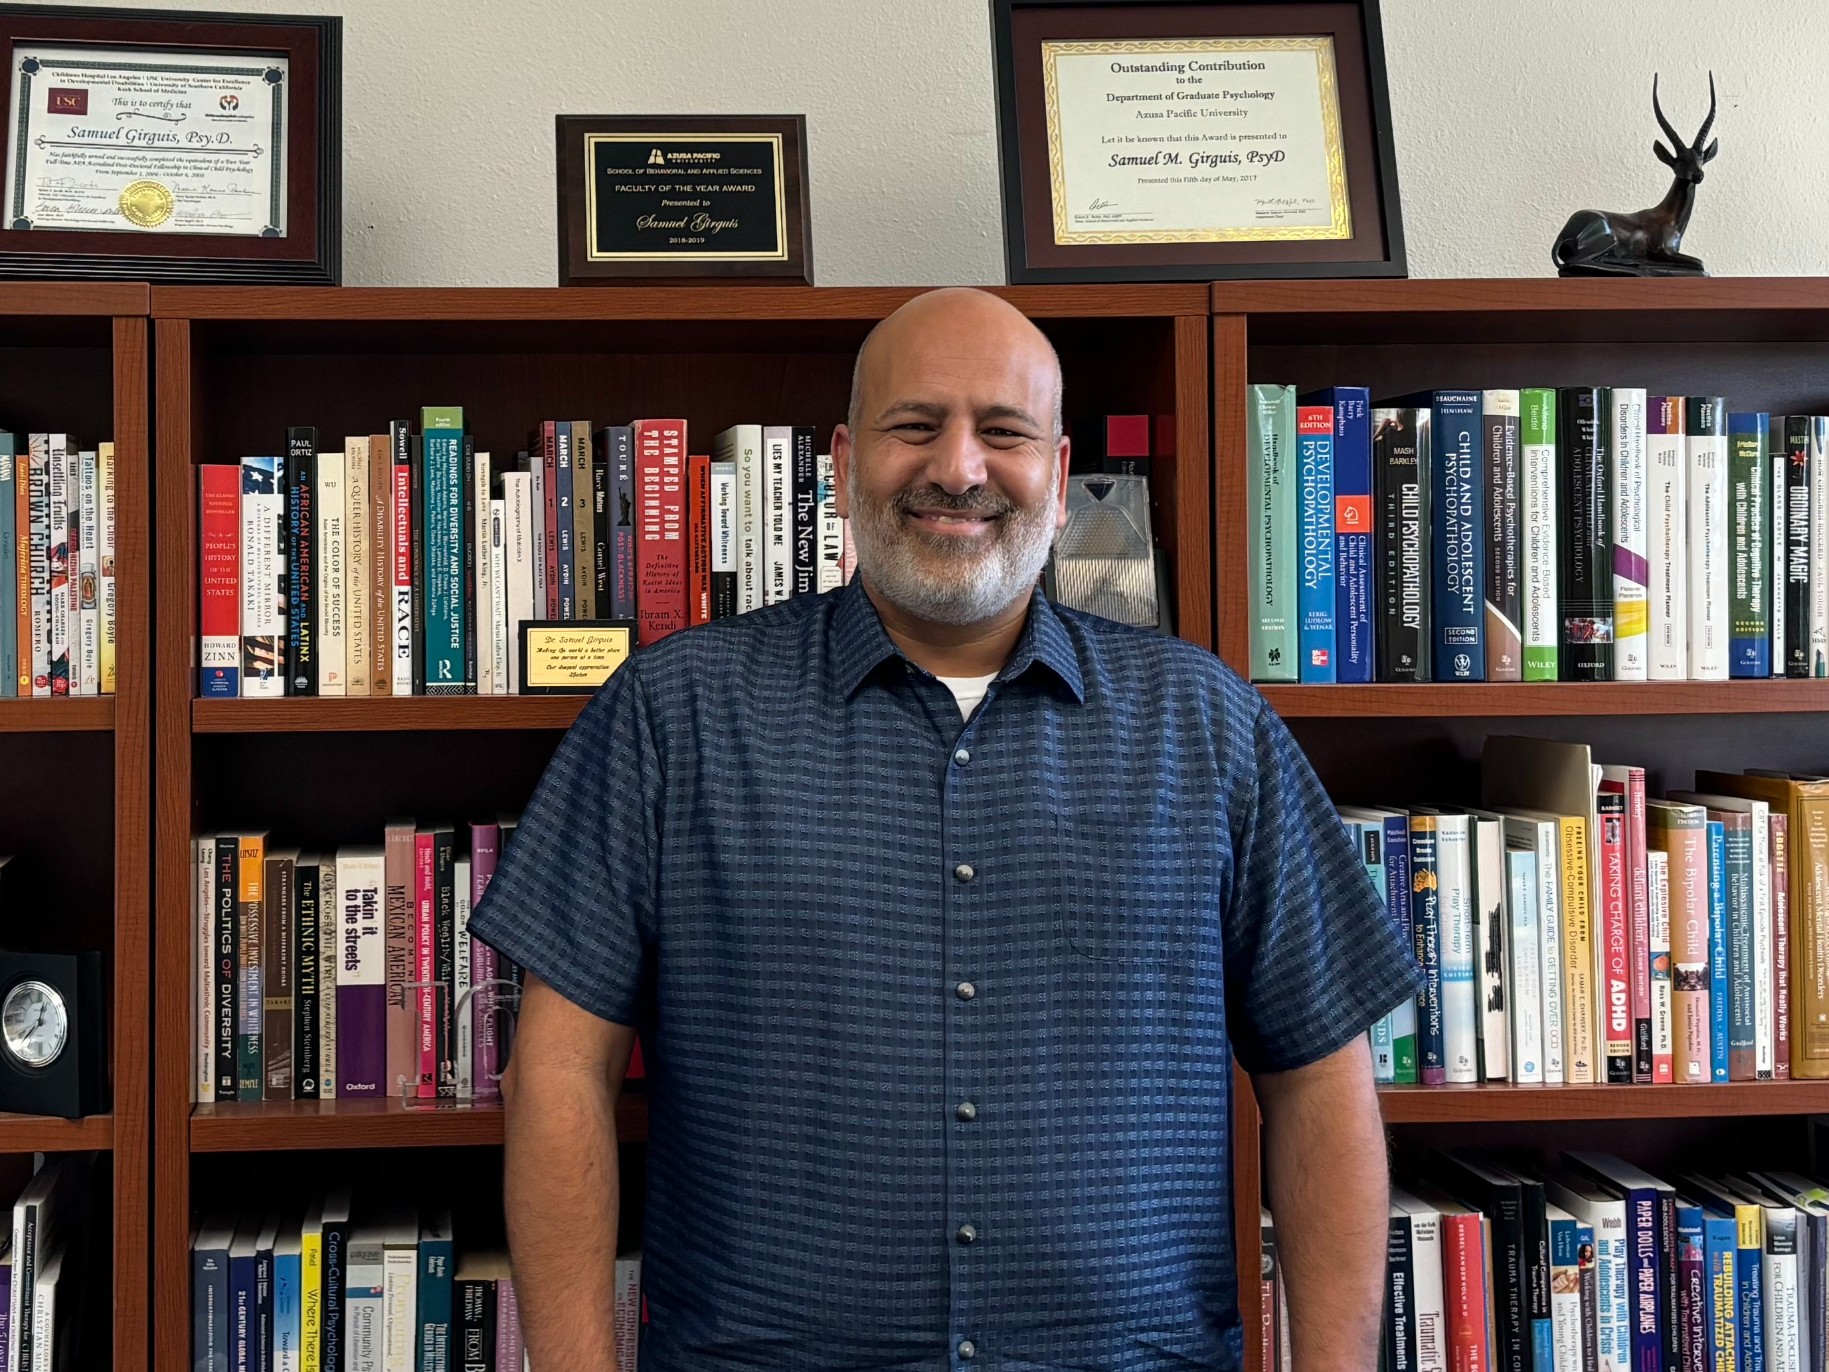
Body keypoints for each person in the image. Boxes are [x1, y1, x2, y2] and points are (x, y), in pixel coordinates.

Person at [467, 287, 1421, 1371]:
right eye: (913, 425)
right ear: (840, 460)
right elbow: (554, 1077)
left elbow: (1319, 1082)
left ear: (1060, 479)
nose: (957, 468)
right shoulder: (669, 716)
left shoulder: (1208, 725)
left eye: (1003, 432)